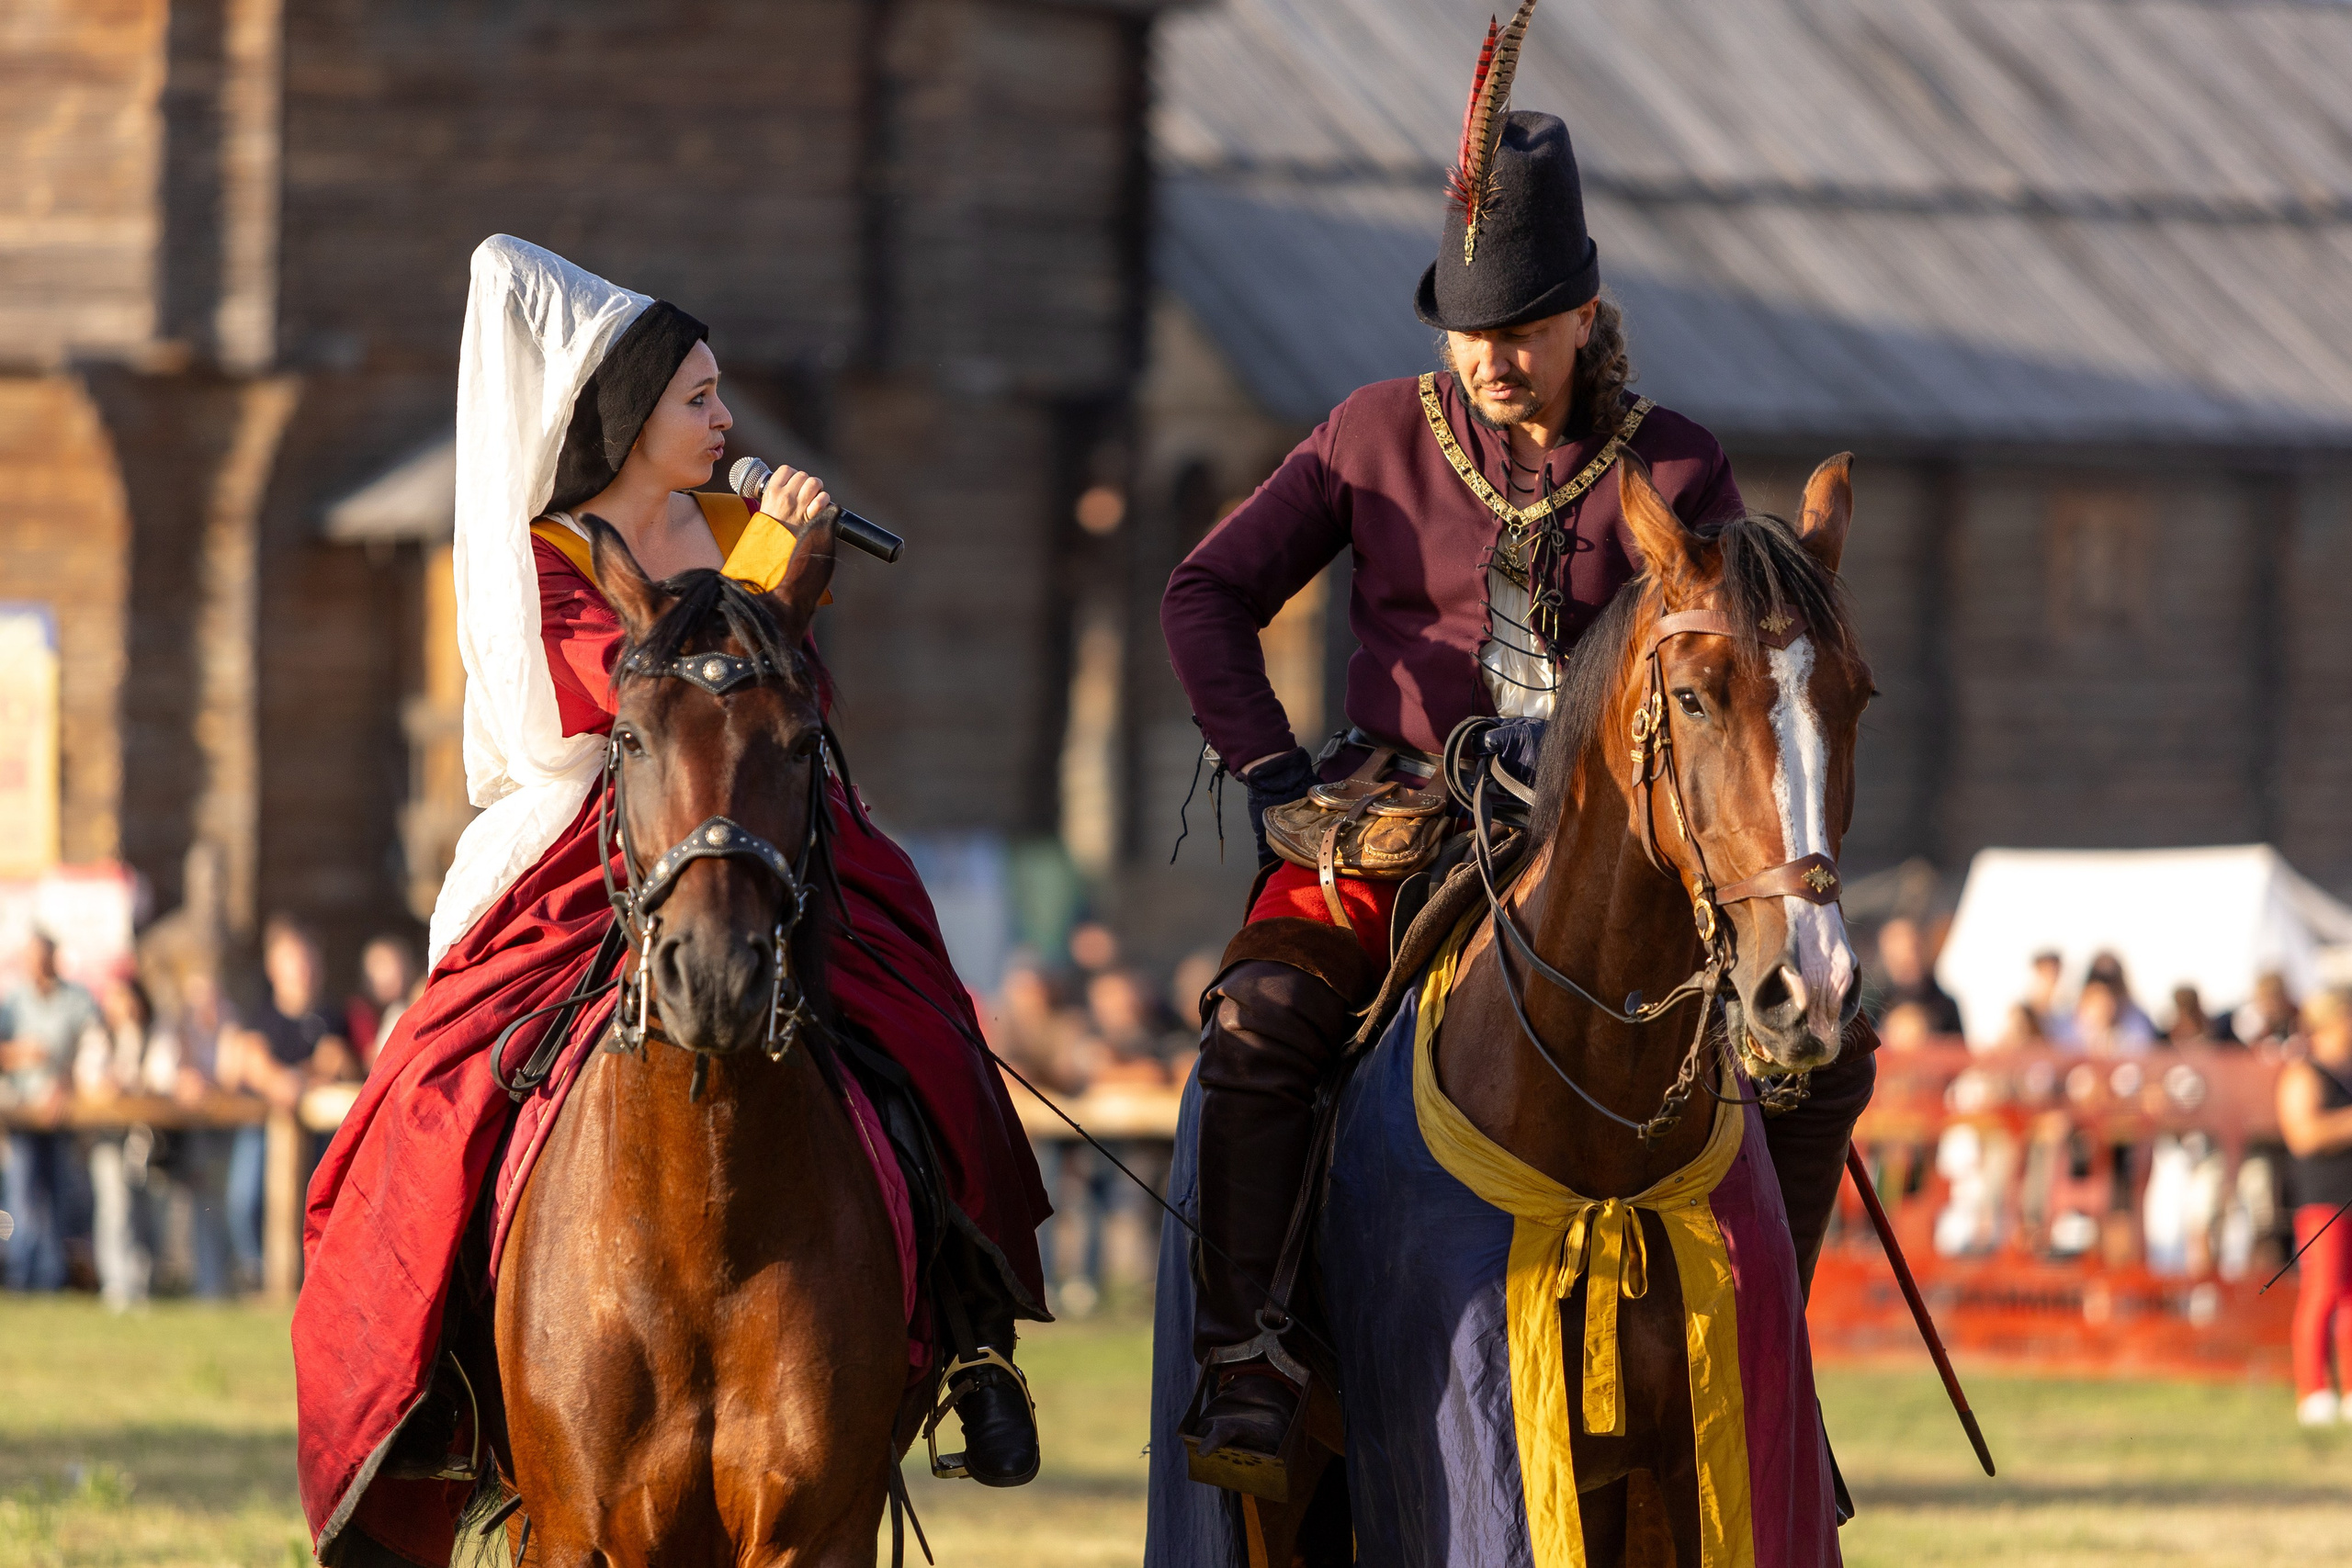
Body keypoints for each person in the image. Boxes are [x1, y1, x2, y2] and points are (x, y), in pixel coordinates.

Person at [294, 237, 1049, 1566]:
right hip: (602, 831)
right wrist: (766, 571)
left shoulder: (725, 528)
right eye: (700, 396)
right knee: (436, 1085)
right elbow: (624, 689)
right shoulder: (549, 546)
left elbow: (768, 685)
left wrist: (786, 569)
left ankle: (973, 1321)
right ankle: (427, 1379)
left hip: (755, 815)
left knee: (925, 1005)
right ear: (631, 415)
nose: (725, 418)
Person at [1158, 81, 1881, 1472]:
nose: (1494, 355)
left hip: (1618, 838)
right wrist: (1272, 771)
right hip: (1393, 820)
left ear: (1582, 319)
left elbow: (1744, 666)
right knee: (1258, 1021)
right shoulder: (1370, 432)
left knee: (1826, 1045)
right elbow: (1206, 591)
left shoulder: (1675, 461)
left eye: (1525, 327)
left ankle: (1772, 1355)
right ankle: (1248, 1354)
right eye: (1471, 327)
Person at [220, 917, 357, 1285]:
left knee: (316, 1206)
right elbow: (250, 1062)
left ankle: (306, 1281)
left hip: (318, 1136)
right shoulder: (262, 1014)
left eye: (307, 960)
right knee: (244, 1202)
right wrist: (282, 1077)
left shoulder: (332, 1017)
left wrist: (293, 1076)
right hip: (262, 1130)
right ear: (273, 967)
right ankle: (255, 1274)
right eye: (293, 960)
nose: (302, 970)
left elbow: (339, 1062)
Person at [76, 976, 197, 1310]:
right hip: (108, 1134)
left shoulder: (156, 1033)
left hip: (147, 1138)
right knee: (114, 1206)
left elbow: (163, 1077)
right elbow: (88, 1080)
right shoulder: (99, 1035)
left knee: (151, 1209)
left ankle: (145, 1284)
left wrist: (133, 1086)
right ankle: (117, 1284)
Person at [0, 934, 105, 1292]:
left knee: (65, 1196)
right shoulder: (14, 1002)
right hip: (23, 1112)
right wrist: (20, 1054)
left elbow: (92, 1048)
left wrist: (65, 1084)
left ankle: (55, 1276)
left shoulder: (77, 1000)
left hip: (65, 1113)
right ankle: (21, 1275)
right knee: (21, 1197)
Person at [2278, 987, 2352, 1426]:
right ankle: (2314, 1390)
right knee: (2322, 1291)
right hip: (2322, 1200)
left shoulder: (2346, 1074)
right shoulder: (2304, 1074)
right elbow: (2303, 1134)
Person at [1875, 917, 1964, 1036]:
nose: (1908, 960)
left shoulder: (1945, 1006)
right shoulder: (1876, 1004)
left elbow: (1955, 1048)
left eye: (1912, 950)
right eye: (1896, 957)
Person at [345, 934, 419, 1073]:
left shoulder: (416, 1008)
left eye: (398, 964)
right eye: (381, 966)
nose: (391, 974)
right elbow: (371, 1060)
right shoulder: (359, 1012)